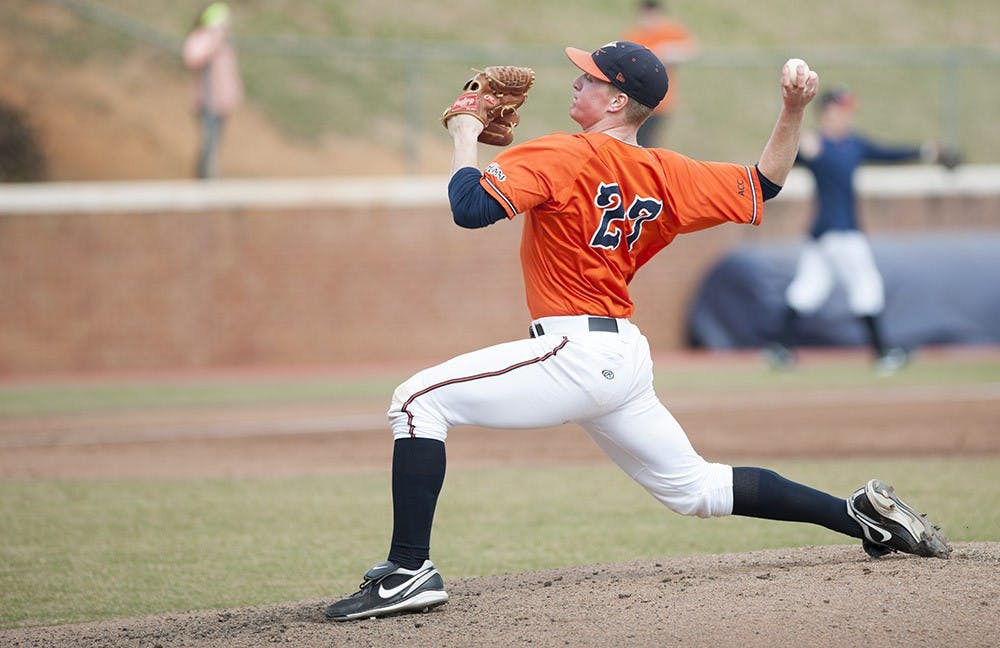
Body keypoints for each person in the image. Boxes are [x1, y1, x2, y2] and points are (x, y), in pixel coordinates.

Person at [323, 43, 950, 623]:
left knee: (416, 399)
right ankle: (857, 515)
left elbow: (470, 209)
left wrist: (465, 136)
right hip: (620, 354)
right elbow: (765, 184)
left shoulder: (564, 152)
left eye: (589, 78)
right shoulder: (666, 173)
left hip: (574, 349)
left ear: (617, 101)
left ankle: (408, 570)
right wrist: (792, 110)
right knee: (697, 488)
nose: (576, 80)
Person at [765, 85, 959, 374]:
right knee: (865, 285)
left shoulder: (852, 144)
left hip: (828, 234)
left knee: (808, 290)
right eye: (841, 110)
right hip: (839, 232)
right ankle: (882, 352)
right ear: (827, 113)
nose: (847, 117)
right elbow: (782, 159)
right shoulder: (815, 144)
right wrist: (795, 139)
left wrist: (927, 151)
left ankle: (781, 347)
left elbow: (888, 153)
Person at [621, 0, 698, 147]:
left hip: (661, 101)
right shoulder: (635, 35)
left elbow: (691, 49)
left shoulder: (667, 31)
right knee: (634, 141)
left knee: (647, 142)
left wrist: (669, 51)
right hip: (635, 100)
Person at [182, 2, 244, 179]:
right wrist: (213, 38)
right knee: (208, 144)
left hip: (221, 103)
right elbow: (192, 56)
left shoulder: (224, 43)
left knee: (214, 144)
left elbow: (229, 74)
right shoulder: (203, 39)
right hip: (207, 103)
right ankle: (206, 181)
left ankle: (208, 179)